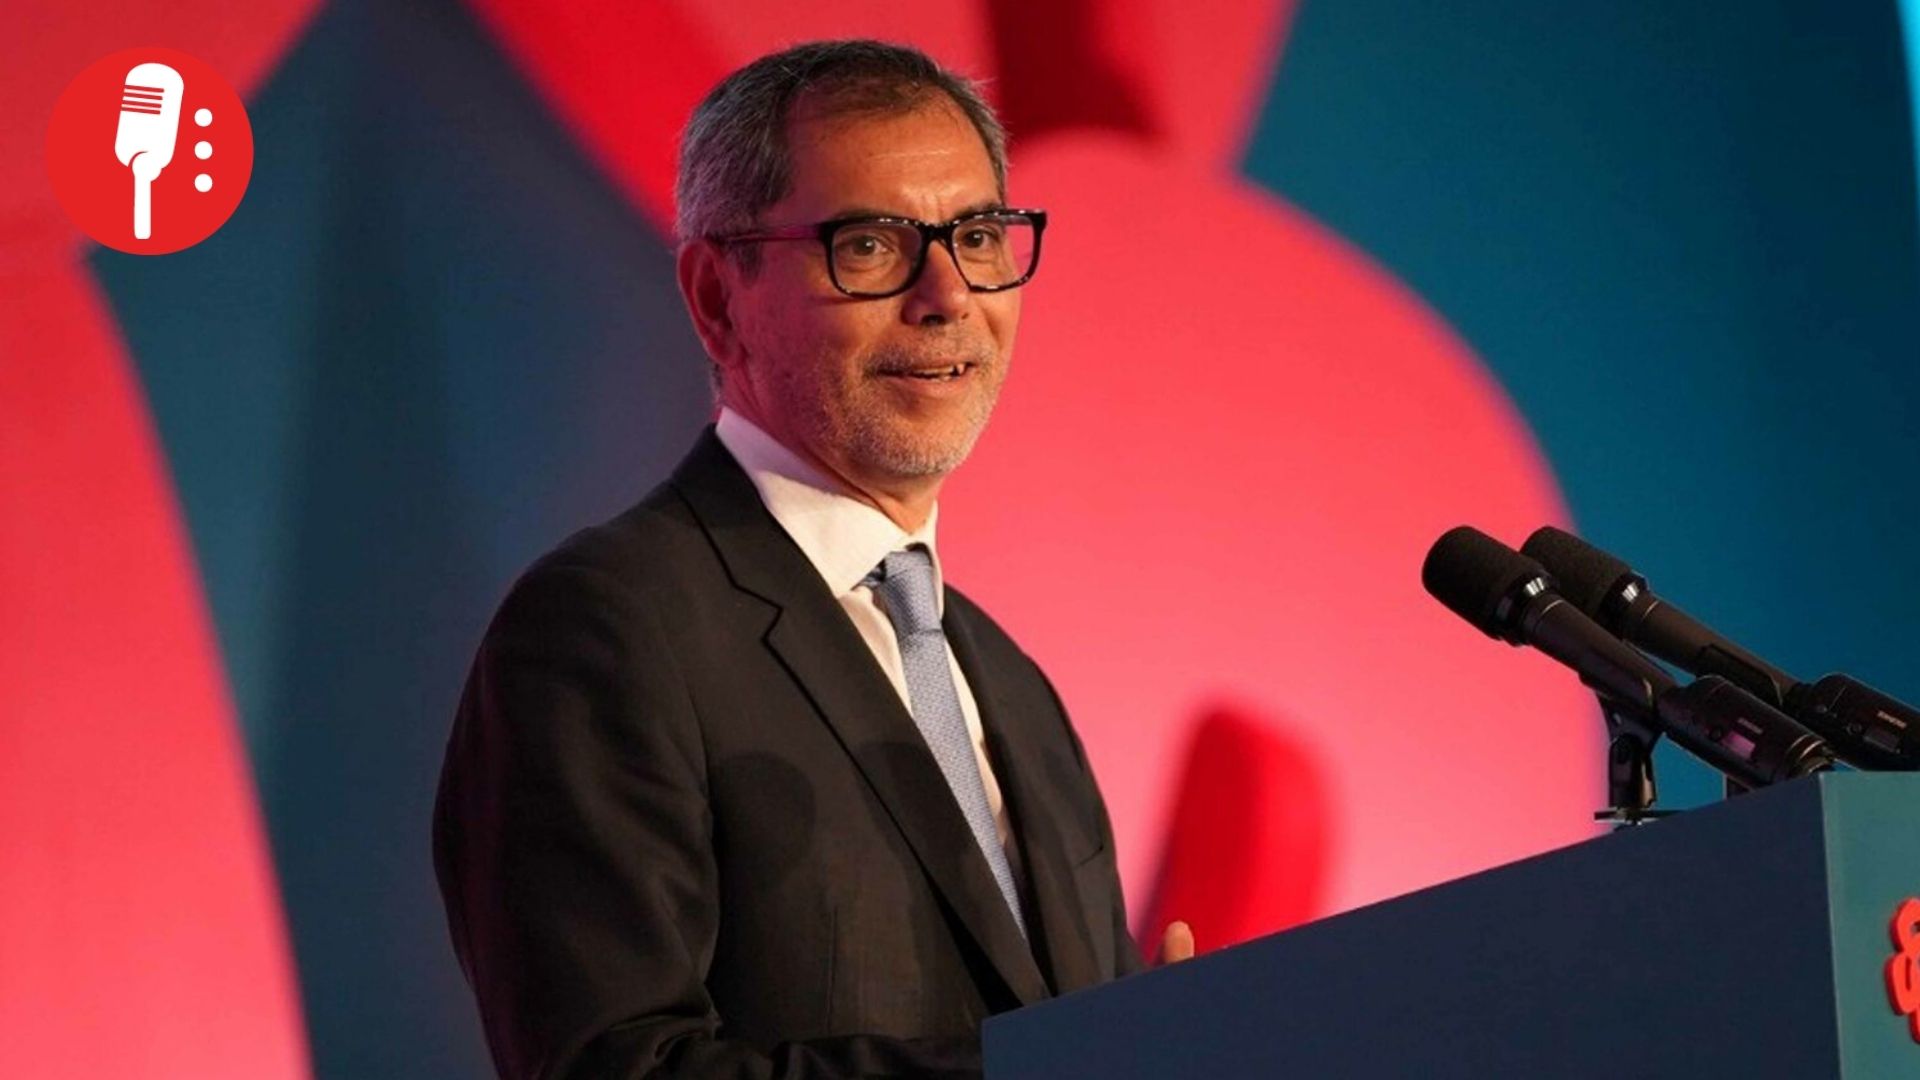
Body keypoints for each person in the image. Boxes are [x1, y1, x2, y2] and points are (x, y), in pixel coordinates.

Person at [433, 39, 1190, 1080]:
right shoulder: (607, 632)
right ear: (717, 297)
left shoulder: (1014, 687)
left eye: (977, 236)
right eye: (870, 245)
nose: (947, 294)